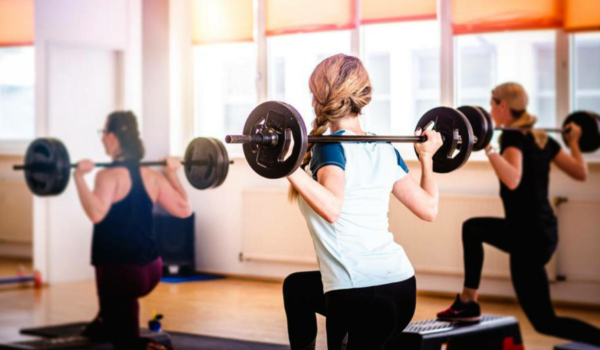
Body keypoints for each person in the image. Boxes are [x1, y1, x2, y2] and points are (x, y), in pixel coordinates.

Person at [284, 54, 443, 350]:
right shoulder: (383, 147)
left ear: (318, 97)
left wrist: (287, 166)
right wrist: (428, 159)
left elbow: (332, 208)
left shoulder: (330, 149)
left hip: (358, 297)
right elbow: (429, 209)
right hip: (402, 289)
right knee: (297, 288)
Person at [437, 82, 600, 346]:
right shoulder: (542, 137)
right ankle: (468, 302)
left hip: (526, 236)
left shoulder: (513, 137)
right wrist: (575, 143)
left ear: (502, 105)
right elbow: (580, 173)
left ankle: (468, 301)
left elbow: (513, 179)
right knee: (545, 321)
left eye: (491, 104)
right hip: (543, 233)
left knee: (472, 229)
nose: (490, 110)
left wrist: (488, 147)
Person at [74, 111, 192, 349]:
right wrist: (171, 173)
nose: (102, 139)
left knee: (126, 342)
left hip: (122, 275)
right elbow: (184, 209)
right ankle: (104, 318)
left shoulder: (108, 176)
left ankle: (141, 342)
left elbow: (96, 214)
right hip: (152, 269)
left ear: (113, 137)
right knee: (119, 303)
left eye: (103, 133)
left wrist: (78, 177)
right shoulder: (151, 176)